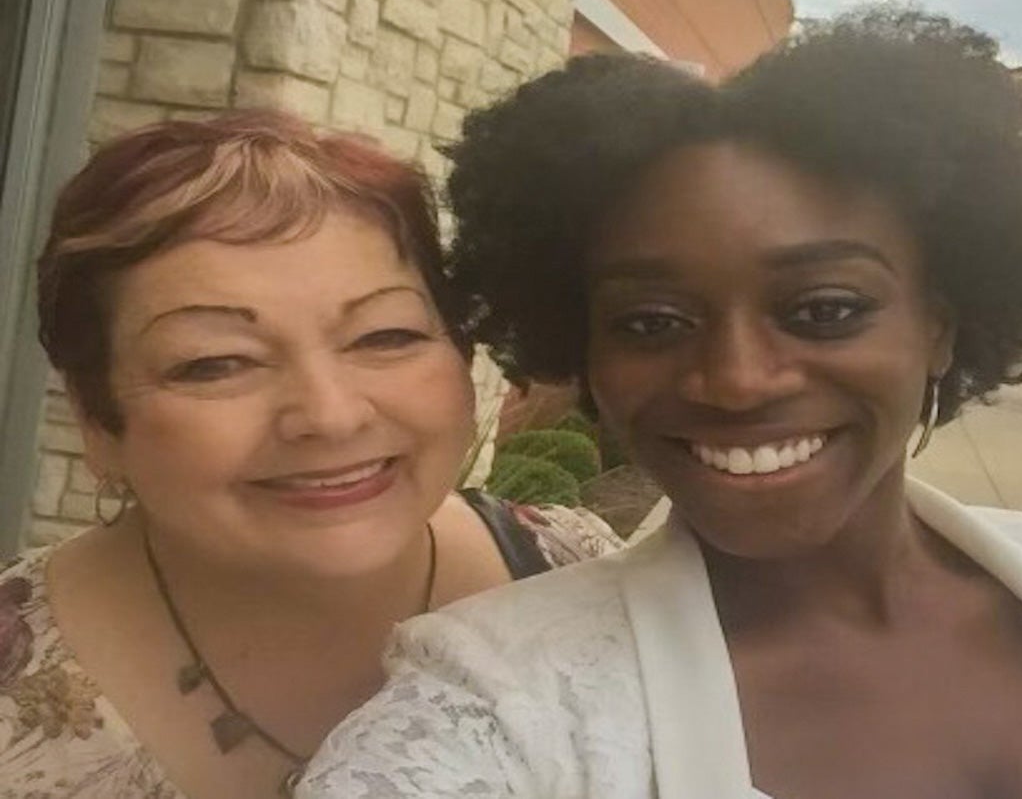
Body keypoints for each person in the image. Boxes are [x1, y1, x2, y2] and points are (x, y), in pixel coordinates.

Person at [299, 7, 1022, 799]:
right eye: (651, 322)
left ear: (940, 325)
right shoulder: (490, 710)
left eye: (824, 310)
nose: (734, 379)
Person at [0, 110, 620, 799]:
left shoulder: (586, 580)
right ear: (97, 421)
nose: (329, 415)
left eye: (383, 336)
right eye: (216, 363)